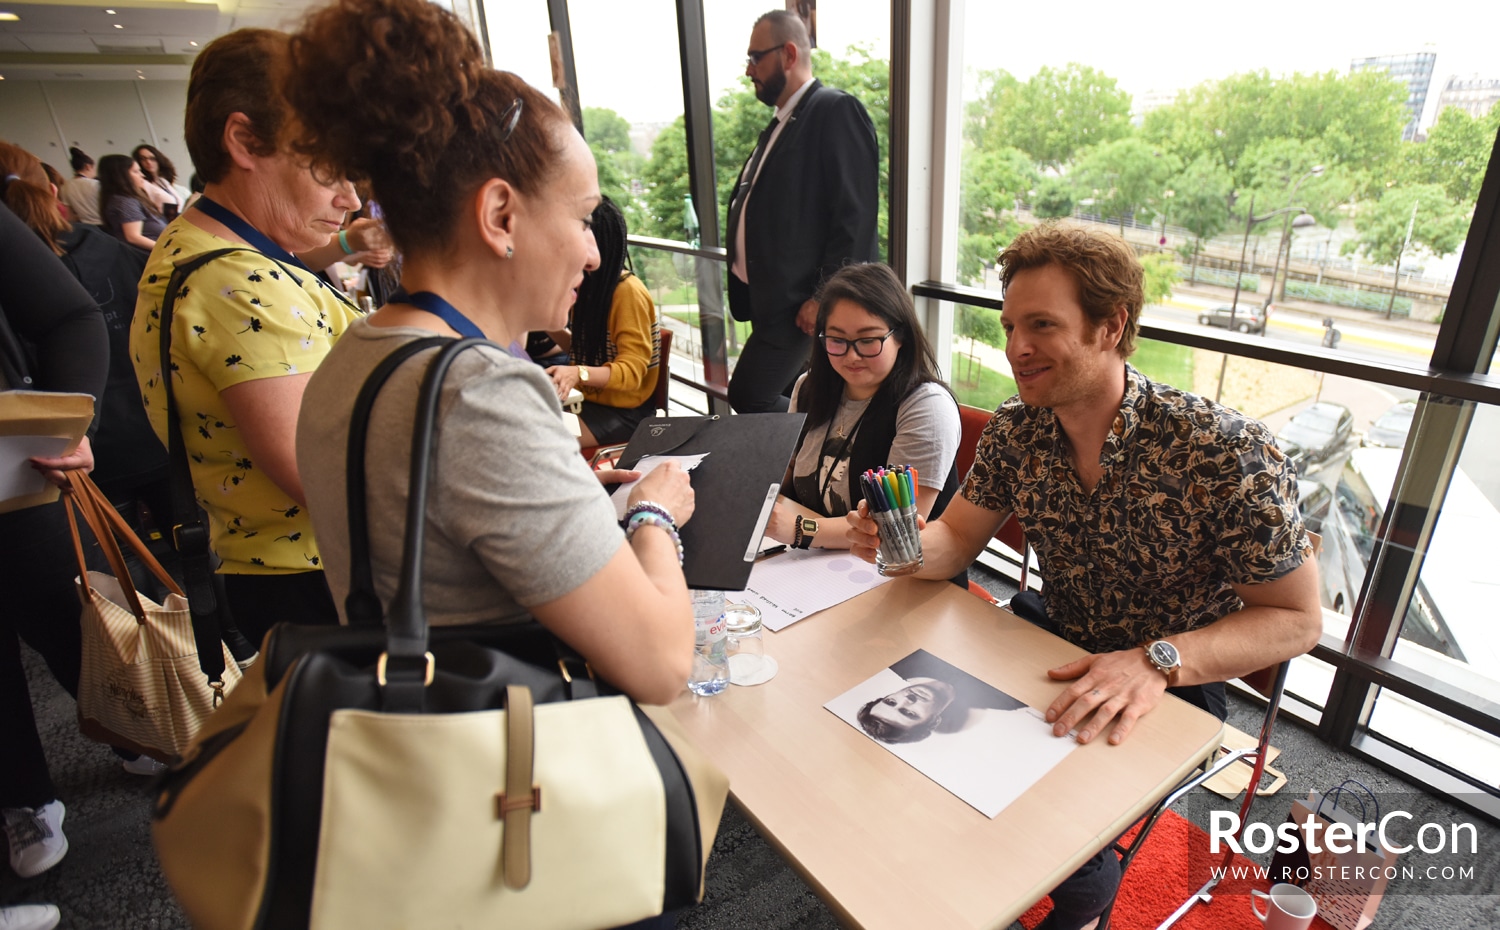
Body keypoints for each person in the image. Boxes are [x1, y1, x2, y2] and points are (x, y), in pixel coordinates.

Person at [847, 223, 1322, 930]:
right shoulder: (1018, 428)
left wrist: (1158, 661)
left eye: (1042, 325)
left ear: (1111, 326)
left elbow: (1298, 619)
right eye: (1009, 324)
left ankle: (1085, 899)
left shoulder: (1223, 450)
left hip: (1171, 685)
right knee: (904, 753)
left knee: (1043, 833)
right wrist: (901, 542)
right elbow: (957, 541)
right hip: (1050, 647)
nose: (1015, 348)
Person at [284, 0, 694, 724]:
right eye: (580, 217)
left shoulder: (355, 356)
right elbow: (661, 663)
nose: (593, 253)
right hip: (504, 780)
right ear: (501, 215)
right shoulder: (478, 393)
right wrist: (655, 514)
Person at [130, 28, 364, 645]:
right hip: (318, 577)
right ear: (243, 140)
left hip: (277, 570)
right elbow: (319, 471)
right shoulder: (239, 282)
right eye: (328, 167)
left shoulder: (204, 248)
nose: (350, 196)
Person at [0, 196, 107, 889]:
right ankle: (22, 797)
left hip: (12, 470)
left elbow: (69, 313)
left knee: (76, 610)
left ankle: (135, 726)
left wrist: (65, 420)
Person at [725, 9, 879, 414]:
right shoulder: (781, 122)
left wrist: (823, 298)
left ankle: (825, 442)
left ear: (789, 54)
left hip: (801, 305)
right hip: (773, 300)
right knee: (801, 397)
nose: (748, 70)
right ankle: (806, 470)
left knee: (749, 395)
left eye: (756, 57)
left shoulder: (835, 110)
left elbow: (855, 218)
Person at [764, 262, 961, 567]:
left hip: (895, 575)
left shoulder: (925, 406)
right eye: (837, 340)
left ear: (901, 336)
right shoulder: (809, 387)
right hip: (811, 563)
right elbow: (784, 476)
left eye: (868, 340)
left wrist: (799, 528)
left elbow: (898, 530)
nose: (851, 355)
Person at [543, 196, 660, 447]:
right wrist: (546, 323)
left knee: (546, 439)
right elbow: (585, 350)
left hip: (626, 415)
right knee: (535, 428)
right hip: (592, 405)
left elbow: (631, 373)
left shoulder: (627, 292)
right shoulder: (590, 289)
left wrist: (578, 373)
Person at [97, 153, 165, 250]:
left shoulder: (123, 199)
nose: (142, 175)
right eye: (136, 171)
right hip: (151, 255)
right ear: (121, 176)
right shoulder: (124, 202)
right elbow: (133, 237)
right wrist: (167, 250)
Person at [131, 143, 185, 219]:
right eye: (143, 159)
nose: (148, 162)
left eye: (152, 158)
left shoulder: (162, 181)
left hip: (178, 219)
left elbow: (176, 206)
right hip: (166, 223)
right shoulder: (142, 183)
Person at [59, 147, 101, 227]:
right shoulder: (95, 184)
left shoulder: (65, 187)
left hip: (87, 228)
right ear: (88, 167)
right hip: (105, 225)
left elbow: (69, 215)